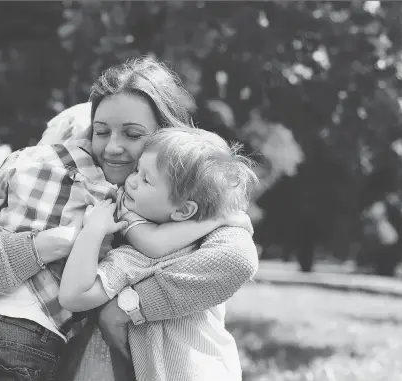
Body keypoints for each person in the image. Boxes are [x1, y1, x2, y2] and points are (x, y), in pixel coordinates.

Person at [0, 57, 258, 381]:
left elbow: (235, 261)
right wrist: (47, 244)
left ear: (166, 138)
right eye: (100, 132)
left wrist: (128, 307)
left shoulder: (200, 200)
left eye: (134, 135)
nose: (112, 148)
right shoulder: (64, 181)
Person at [59, 128, 258, 381]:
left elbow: (73, 296)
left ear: (184, 210)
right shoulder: (206, 244)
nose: (130, 181)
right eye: (136, 171)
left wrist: (93, 230)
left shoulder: (139, 258)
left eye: (146, 180)